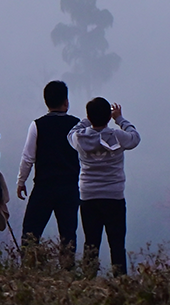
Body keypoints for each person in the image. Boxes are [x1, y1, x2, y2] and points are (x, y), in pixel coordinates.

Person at [69, 97, 140, 277]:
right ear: (109, 117)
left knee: (91, 243)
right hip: (114, 196)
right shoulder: (117, 136)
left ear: (89, 116)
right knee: (117, 243)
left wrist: (87, 119)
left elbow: (71, 132)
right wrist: (120, 119)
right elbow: (135, 138)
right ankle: (121, 281)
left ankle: (87, 280)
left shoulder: (80, 137)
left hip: (88, 196)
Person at [17, 79, 81, 266]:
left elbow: (28, 157)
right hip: (69, 187)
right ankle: (67, 273)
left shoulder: (37, 125)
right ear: (66, 101)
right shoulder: (77, 126)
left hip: (44, 186)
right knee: (68, 234)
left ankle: (28, 269)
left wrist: (21, 181)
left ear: (46, 102)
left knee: (31, 231)